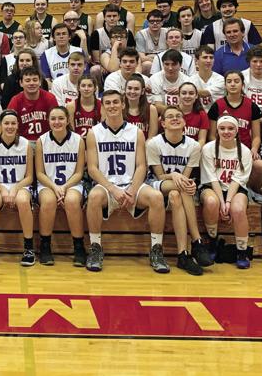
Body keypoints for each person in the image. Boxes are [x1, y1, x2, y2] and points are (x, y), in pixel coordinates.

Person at [85, 90, 169, 273]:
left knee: (156, 197)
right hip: (107, 187)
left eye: (116, 102)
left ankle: (156, 249)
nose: (112, 106)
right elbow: (92, 168)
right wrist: (113, 189)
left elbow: (141, 166)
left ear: (123, 105)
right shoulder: (94, 133)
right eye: (107, 103)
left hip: (132, 185)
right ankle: (95, 248)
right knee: (93, 197)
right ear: (103, 106)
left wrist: (132, 189)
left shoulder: (136, 132)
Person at [146, 106, 210, 275]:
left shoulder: (194, 146)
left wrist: (184, 181)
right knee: (181, 188)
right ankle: (197, 240)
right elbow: (159, 175)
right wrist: (174, 175)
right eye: (170, 117)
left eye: (178, 116)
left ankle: (183, 254)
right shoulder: (153, 144)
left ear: (184, 122)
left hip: (178, 190)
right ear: (163, 123)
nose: (174, 119)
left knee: (177, 193)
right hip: (157, 184)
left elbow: (186, 177)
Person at [199, 115, 253, 269]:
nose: (226, 131)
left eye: (230, 128)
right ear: (217, 130)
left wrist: (228, 201)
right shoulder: (209, 148)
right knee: (211, 202)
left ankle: (241, 251)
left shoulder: (245, 151)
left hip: (234, 188)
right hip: (212, 186)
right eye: (222, 128)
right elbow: (212, 178)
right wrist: (222, 202)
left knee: (238, 209)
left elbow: (238, 180)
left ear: (237, 131)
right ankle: (212, 241)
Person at [35, 107, 86, 266]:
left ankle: (79, 247)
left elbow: (79, 172)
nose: (57, 122)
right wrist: (55, 187)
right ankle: (45, 246)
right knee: (49, 201)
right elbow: (40, 173)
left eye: (61, 118)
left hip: (72, 183)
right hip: (47, 184)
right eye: (53, 119)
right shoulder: (41, 141)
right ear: (48, 121)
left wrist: (63, 187)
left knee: (71, 201)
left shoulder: (78, 140)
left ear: (67, 120)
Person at [0, 111, 35, 265]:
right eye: (6, 123)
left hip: (21, 184)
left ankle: (29, 248)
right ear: (0, 125)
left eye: (13, 123)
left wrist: (15, 189)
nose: (10, 126)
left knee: (23, 201)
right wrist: (2, 189)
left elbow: (30, 177)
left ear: (18, 125)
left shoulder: (25, 144)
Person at [208, 70, 262, 190]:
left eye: (236, 81)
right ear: (225, 85)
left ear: (242, 85)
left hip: (244, 150)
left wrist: (254, 149)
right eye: (229, 81)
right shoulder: (217, 105)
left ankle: (251, 192)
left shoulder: (251, 106)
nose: (233, 84)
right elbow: (212, 135)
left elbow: (256, 136)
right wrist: (219, 149)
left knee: (259, 165)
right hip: (223, 149)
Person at [8, 67, 59, 141]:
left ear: (40, 82)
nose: (31, 83)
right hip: (23, 143)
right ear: (21, 83)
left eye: (35, 80)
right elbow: (9, 125)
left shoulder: (50, 98)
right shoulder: (15, 100)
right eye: (27, 80)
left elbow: (56, 122)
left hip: (46, 141)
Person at [93, 4, 137, 70]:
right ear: (104, 18)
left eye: (114, 16)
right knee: (95, 69)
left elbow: (132, 53)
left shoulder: (128, 32)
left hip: (125, 64)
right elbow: (96, 59)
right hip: (104, 64)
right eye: (109, 16)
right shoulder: (97, 33)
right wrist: (105, 66)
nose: (112, 18)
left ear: (119, 17)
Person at [188, 45, 226, 112]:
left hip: (217, 115)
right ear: (196, 61)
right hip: (198, 115)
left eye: (211, 58)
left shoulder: (221, 80)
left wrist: (183, 90)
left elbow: (205, 93)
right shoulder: (190, 80)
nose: (209, 60)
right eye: (205, 57)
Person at [150, 50, 188, 114]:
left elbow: (189, 107)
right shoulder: (155, 79)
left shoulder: (187, 81)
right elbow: (158, 107)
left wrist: (182, 91)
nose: (170, 68)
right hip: (161, 115)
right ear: (162, 64)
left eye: (174, 64)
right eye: (167, 64)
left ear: (180, 65)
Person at [124, 74, 158, 138]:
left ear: (142, 91)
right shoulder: (120, 108)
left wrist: (141, 148)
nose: (132, 91)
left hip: (146, 146)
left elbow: (151, 137)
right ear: (125, 89)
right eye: (129, 88)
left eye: (136, 89)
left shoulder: (151, 109)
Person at [136, 10, 168, 75]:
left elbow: (171, 52)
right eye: (152, 21)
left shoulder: (167, 33)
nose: (155, 23)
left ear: (162, 22)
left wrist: (152, 56)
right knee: (147, 64)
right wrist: (158, 61)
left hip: (166, 61)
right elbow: (142, 57)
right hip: (152, 62)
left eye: (158, 21)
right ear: (147, 22)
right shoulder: (141, 34)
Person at [178, 82, 210, 148]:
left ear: (196, 96)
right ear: (179, 95)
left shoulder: (202, 115)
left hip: (194, 151)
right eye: (184, 93)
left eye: (191, 93)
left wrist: (193, 153)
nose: (187, 96)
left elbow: (201, 140)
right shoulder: (171, 112)